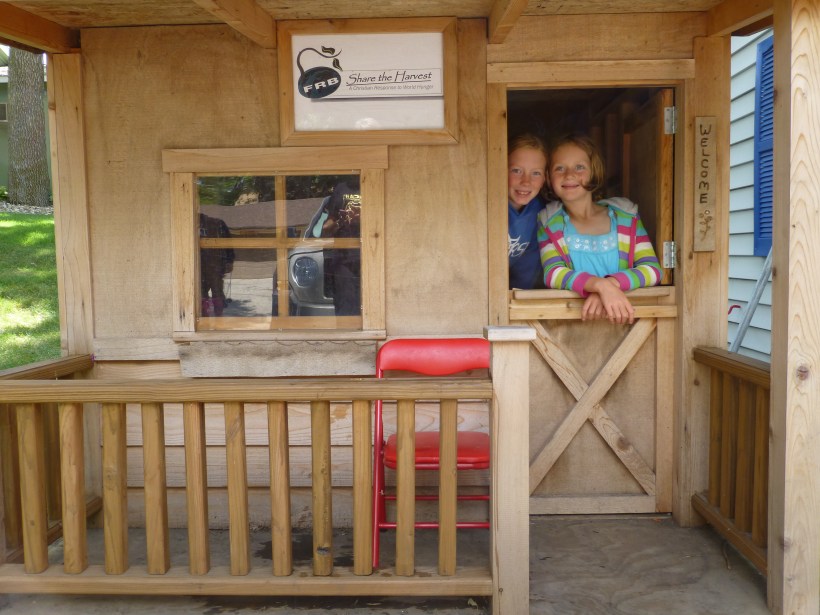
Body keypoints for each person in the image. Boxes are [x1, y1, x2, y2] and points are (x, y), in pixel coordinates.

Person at [537, 133, 661, 325]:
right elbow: (553, 273)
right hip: (569, 329)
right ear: (548, 177)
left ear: (594, 171)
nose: (569, 174)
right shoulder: (548, 223)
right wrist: (598, 285)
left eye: (579, 167)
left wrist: (610, 286)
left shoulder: (626, 216)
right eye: (559, 168)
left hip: (627, 324)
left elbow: (652, 270)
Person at [507, 133, 548, 289]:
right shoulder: (486, 206)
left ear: (545, 178)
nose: (526, 181)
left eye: (536, 173)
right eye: (516, 170)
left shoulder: (538, 214)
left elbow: (526, 272)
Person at [199, 212, 235, 316]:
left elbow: (228, 244)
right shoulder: (189, 225)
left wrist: (229, 260)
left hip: (215, 266)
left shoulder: (217, 224)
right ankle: (204, 320)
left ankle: (219, 320)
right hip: (197, 268)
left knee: (217, 294)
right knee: (201, 296)